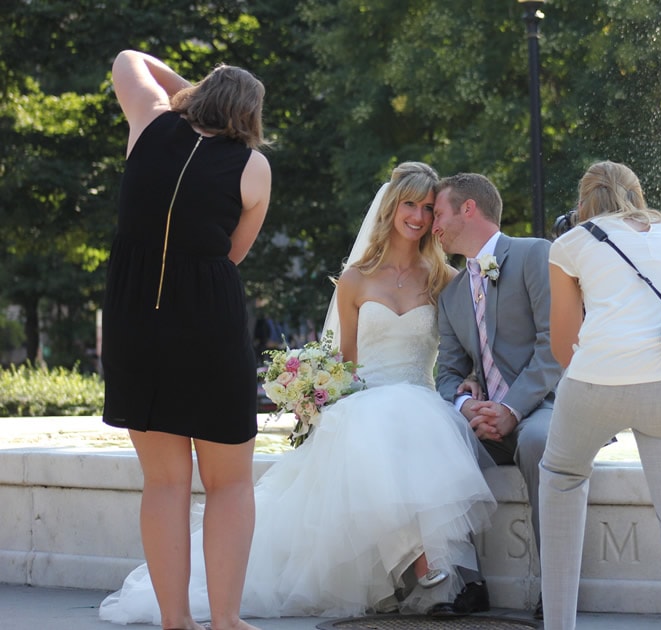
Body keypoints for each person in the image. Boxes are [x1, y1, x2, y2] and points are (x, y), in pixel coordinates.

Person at [100, 162, 496, 623]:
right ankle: (436, 576)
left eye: (428, 208)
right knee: (381, 424)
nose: (419, 216)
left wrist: (469, 380)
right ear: (390, 207)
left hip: (421, 396)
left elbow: (462, 349)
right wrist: (319, 397)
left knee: (413, 421)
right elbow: (346, 365)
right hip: (368, 401)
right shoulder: (355, 280)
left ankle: (433, 578)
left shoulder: (443, 280)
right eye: (409, 203)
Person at [98, 50, 271, 630]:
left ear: (198, 96)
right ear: (251, 114)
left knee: (165, 482)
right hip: (208, 325)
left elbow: (128, 59)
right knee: (229, 482)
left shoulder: (149, 122)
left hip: (134, 321)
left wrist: (191, 90)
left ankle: (176, 622)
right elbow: (233, 253)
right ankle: (225, 620)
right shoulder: (252, 166)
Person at [540, 161, 661, 629]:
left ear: (584, 201)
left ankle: (559, 622)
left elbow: (564, 345)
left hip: (596, 383)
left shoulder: (570, 243)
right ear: (637, 194)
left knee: (562, 476)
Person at [431, 172, 562, 618]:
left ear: (469, 209)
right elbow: (446, 373)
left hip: (542, 406)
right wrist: (468, 407)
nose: (434, 226)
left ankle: (557, 588)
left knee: (537, 440)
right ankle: (468, 584)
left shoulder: (533, 254)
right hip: (486, 416)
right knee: (439, 439)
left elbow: (555, 346)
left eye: (439, 213)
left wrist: (510, 408)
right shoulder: (449, 295)